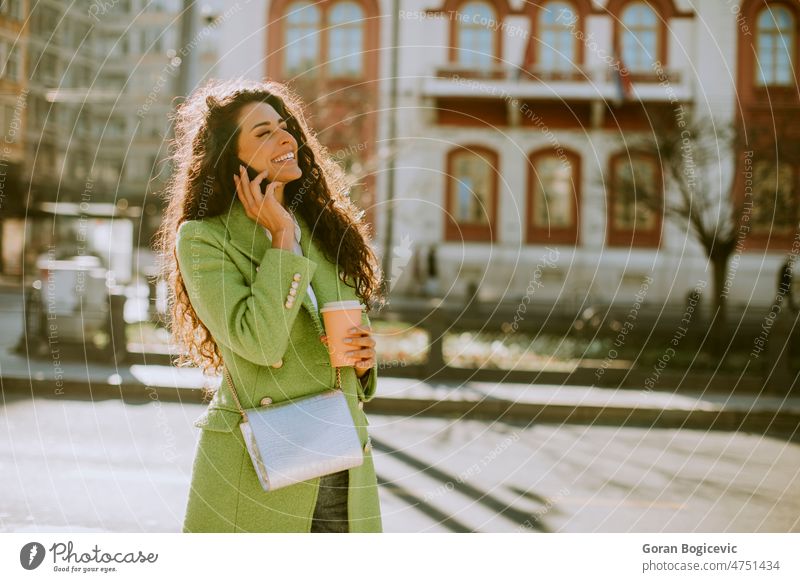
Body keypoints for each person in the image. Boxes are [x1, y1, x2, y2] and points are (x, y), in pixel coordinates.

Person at [155, 78, 385, 533]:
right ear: (230, 156)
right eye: (263, 133)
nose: (287, 138)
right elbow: (259, 343)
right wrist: (281, 241)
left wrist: (363, 361)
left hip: (340, 454)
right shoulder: (202, 239)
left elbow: (333, 336)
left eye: (285, 127)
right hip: (256, 464)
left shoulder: (321, 228)